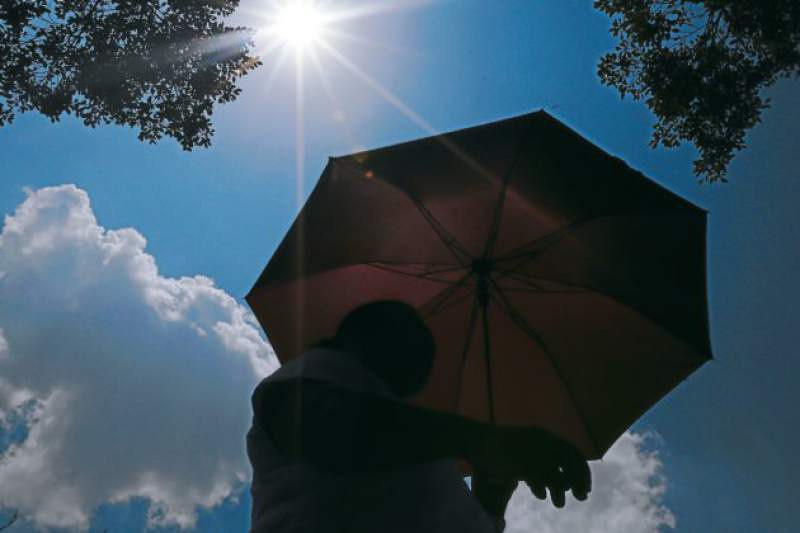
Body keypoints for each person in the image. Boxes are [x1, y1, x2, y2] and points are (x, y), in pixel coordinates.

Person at [247, 300, 591, 532]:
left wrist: (491, 503)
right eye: (408, 338)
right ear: (358, 337)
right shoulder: (315, 375)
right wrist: (484, 441)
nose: (423, 364)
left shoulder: (427, 454)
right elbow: (333, 429)